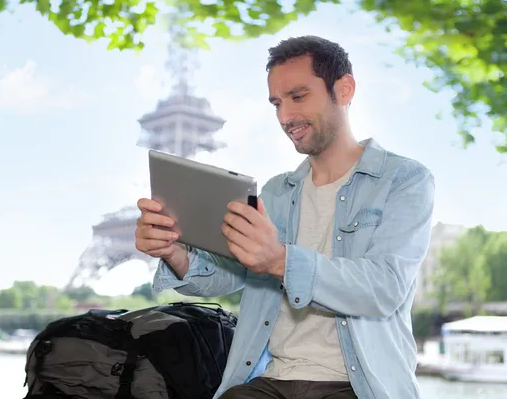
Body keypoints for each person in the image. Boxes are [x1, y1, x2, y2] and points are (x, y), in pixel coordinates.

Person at [134, 35, 434, 399]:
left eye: (298, 97)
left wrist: (280, 260)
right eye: (276, 103)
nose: (285, 117)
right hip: (270, 383)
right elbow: (228, 275)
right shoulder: (275, 193)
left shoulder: (404, 180)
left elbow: (384, 288)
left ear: (344, 89)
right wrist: (174, 253)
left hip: (358, 386)